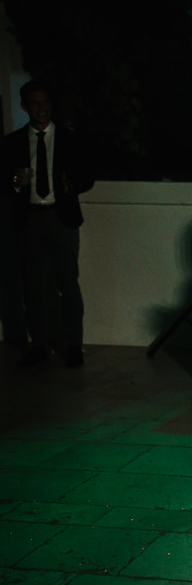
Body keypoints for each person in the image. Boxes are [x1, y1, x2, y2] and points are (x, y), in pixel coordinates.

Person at [0, 79, 94, 368]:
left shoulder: (69, 138)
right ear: (24, 106)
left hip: (61, 218)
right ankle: (39, 344)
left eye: (46, 102)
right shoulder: (13, 142)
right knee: (34, 286)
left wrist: (72, 185)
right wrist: (15, 183)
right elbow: (4, 180)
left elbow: (87, 177)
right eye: (36, 103)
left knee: (68, 282)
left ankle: (74, 345)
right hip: (29, 219)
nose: (42, 108)